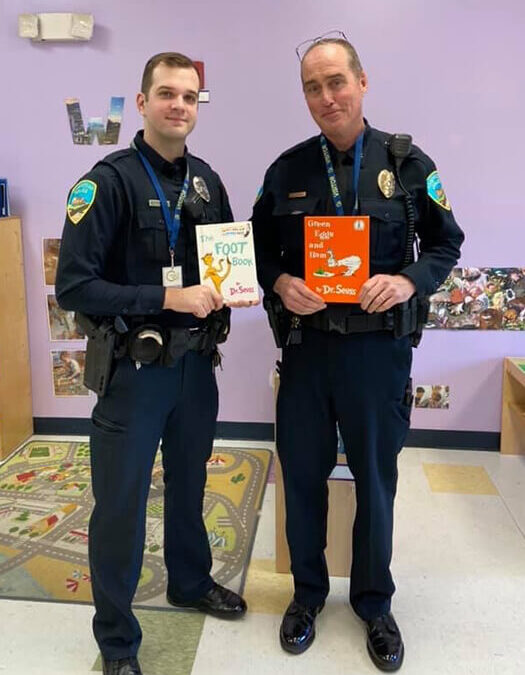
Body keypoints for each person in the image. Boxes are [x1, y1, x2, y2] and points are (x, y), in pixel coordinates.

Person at [252, 33, 464, 671]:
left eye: (336, 81)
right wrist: (280, 282)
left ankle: (375, 602)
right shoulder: (285, 169)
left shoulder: (408, 165)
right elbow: (257, 256)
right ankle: (308, 595)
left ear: (362, 82)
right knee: (304, 479)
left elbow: (445, 245)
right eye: (313, 87)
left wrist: (406, 281)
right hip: (307, 354)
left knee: (375, 483)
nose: (326, 97)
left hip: (378, 357)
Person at [56, 52, 249, 675]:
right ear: (141, 103)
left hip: (196, 371)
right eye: (167, 94)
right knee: (120, 506)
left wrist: (237, 284)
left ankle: (189, 582)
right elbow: (75, 287)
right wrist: (166, 297)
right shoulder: (106, 182)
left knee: (190, 487)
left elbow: (226, 264)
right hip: (134, 375)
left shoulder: (207, 182)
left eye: (191, 97)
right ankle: (116, 642)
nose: (179, 106)